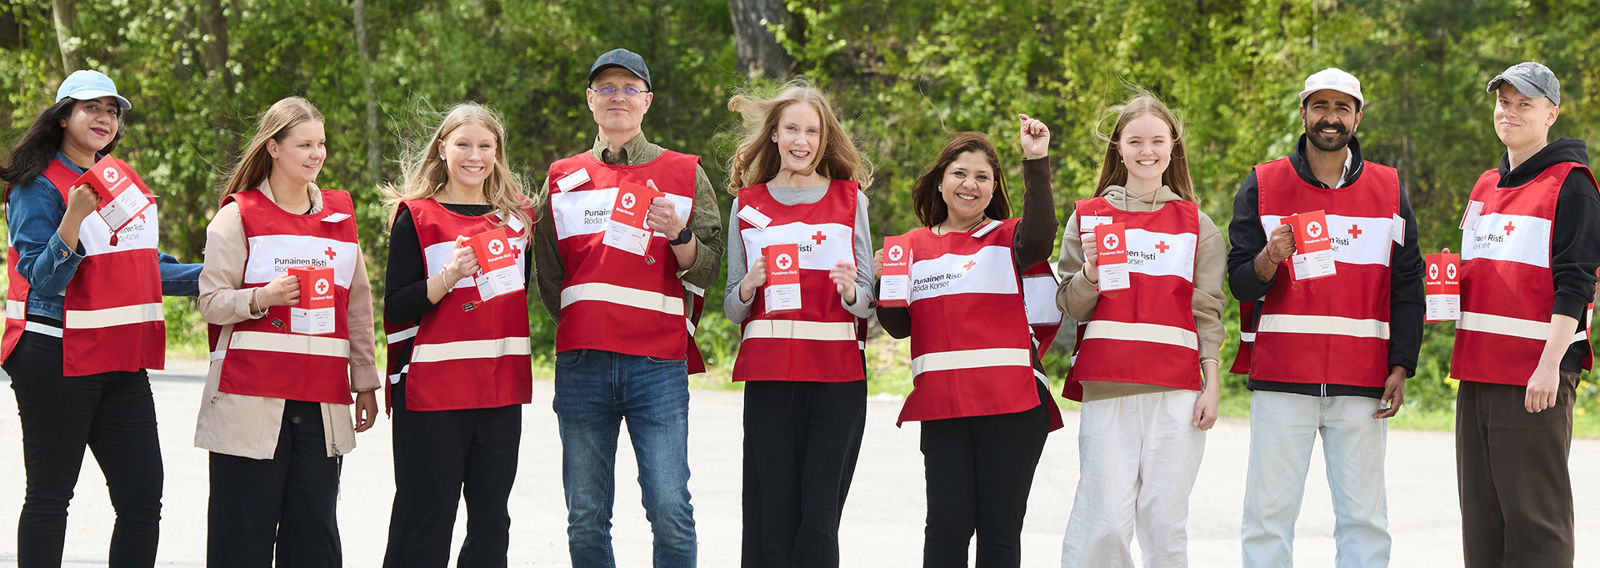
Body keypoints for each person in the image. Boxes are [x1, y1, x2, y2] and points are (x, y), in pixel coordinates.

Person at [0, 69, 201, 568]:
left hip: (118, 353)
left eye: (112, 111)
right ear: (63, 114)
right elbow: (42, 280)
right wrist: (73, 217)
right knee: (50, 497)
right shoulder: (37, 185)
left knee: (141, 498)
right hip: (53, 354)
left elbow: (143, 267)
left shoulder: (121, 180)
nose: (105, 118)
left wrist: (223, 275)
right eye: (92, 108)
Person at [533, 47, 724, 567]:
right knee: (586, 512)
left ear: (648, 102)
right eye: (607, 88)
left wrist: (678, 235)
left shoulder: (685, 174)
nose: (618, 97)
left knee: (669, 508)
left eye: (630, 88)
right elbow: (549, 276)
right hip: (582, 364)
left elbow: (708, 269)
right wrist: (587, 318)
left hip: (657, 366)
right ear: (591, 101)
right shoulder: (561, 176)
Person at [1225, 68, 1424, 567]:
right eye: (1320, 106)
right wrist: (1269, 258)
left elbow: (1407, 285)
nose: (1330, 118)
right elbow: (1240, 283)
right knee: (1267, 518)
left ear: (1357, 116)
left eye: (1341, 108)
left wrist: (1402, 363)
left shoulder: (1390, 189)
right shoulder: (1264, 184)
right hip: (1281, 380)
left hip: (1362, 383)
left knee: (1364, 520)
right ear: (1303, 113)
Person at [196, 96, 380, 566]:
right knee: (243, 536)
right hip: (251, 401)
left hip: (320, 403)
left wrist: (365, 381)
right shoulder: (237, 216)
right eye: (304, 144)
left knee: (313, 538)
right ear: (273, 148)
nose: (316, 154)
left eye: (320, 143)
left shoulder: (340, 218)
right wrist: (263, 297)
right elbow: (211, 303)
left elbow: (357, 305)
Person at [874, 117, 1060, 567]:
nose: (970, 184)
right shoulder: (910, 246)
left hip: (1013, 407)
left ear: (993, 189)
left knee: (999, 533)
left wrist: (1036, 161)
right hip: (944, 408)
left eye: (982, 177)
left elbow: (1041, 237)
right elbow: (898, 327)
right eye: (959, 173)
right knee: (946, 528)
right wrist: (884, 282)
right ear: (940, 182)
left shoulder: (1007, 237)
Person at [1055, 93, 1224, 568]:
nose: (1147, 151)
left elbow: (1207, 314)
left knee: (1164, 522)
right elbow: (1070, 304)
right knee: (1103, 520)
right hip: (1109, 387)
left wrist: (1213, 385)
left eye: (1157, 141)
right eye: (1135, 141)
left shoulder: (1199, 225)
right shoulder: (1088, 217)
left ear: (1173, 147)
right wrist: (1089, 273)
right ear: (1118, 148)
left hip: (1178, 392)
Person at [1451, 61, 1599, 568]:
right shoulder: (1485, 185)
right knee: (1483, 519)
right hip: (1478, 372)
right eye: (1503, 102)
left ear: (1551, 113)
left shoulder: (1572, 184)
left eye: (1525, 104)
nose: (1509, 112)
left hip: (1534, 377)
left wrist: (1549, 366)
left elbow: (1576, 283)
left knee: (1535, 522)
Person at [722, 81, 874, 567]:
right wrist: (749, 285)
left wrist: (852, 290)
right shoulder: (746, 205)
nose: (801, 140)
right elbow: (731, 306)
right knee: (771, 511)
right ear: (774, 135)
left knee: (818, 516)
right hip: (770, 381)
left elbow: (870, 301)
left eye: (812, 130)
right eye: (792, 129)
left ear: (824, 139)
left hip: (837, 381)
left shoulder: (852, 202)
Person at [381, 103, 536, 567]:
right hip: (432, 395)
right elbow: (396, 306)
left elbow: (515, 296)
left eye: (485, 146)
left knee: (491, 524)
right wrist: (447, 277)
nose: (475, 156)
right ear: (442, 148)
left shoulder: (518, 219)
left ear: (498, 153)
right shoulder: (417, 215)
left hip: (498, 392)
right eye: (464, 144)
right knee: (425, 521)